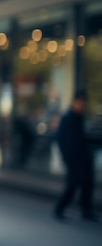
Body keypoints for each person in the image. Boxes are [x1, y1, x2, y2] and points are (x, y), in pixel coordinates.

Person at [53, 90, 98, 222]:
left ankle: (86, 210)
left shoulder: (81, 118)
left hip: (84, 157)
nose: (82, 105)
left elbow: (84, 137)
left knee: (88, 184)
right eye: (80, 102)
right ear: (75, 102)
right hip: (73, 158)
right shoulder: (67, 117)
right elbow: (61, 139)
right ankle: (60, 208)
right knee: (73, 183)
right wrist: (66, 157)